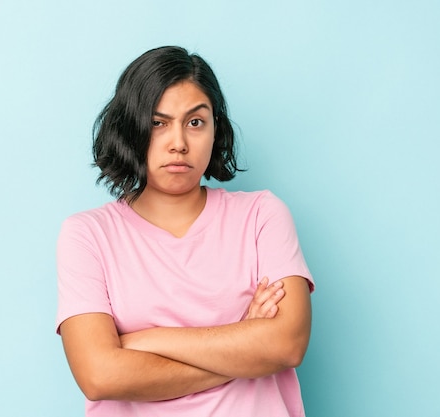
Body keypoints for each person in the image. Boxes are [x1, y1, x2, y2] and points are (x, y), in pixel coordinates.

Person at [56, 45, 314, 417]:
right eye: (159, 123)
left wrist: (145, 341)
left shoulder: (261, 214)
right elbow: (100, 375)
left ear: (215, 131)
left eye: (195, 122)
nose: (178, 143)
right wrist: (243, 343)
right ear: (131, 129)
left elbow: (286, 345)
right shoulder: (87, 235)